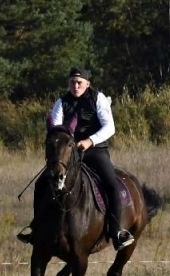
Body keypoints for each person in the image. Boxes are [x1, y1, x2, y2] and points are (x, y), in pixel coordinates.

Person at [18, 67, 134, 249]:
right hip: (68, 153)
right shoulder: (61, 102)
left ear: (88, 84)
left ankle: (116, 231)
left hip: (95, 151)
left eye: (79, 82)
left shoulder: (98, 98)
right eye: (72, 82)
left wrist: (90, 141)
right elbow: (55, 127)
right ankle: (36, 228)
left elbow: (109, 127)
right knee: (42, 183)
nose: (75, 85)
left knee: (111, 183)